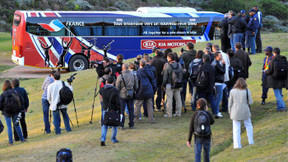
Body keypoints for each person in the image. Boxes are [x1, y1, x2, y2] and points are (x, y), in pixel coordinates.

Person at [228, 78, 254, 149]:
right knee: (248, 126)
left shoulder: (232, 91)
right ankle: (251, 141)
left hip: (235, 111)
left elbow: (230, 103)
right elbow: (250, 102)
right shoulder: (247, 91)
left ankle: (237, 145)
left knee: (236, 128)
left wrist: (230, 111)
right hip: (245, 110)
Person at [0, 80, 26, 145]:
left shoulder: (3, 94)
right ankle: (22, 139)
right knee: (17, 125)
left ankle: (10, 142)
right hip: (15, 111)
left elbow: (0, 105)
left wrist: (3, 110)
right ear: (11, 85)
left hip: (6, 112)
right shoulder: (15, 92)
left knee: (9, 127)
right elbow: (21, 100)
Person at [100, 76, 121, 146]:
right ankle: (113, 138)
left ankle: (103, 139)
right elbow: (118, 102)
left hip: (105, 109)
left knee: (104, 125)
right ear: (113, 82)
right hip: (114, 109)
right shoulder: (115, 90)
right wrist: (120, 110)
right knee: (114, 125)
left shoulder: (102, 89)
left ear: (106, 82)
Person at [264, 48, 287, 112]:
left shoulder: (273, 60)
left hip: (275, 79)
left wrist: (265, 71)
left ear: (274, 53)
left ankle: (282, 107)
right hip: (282, 78)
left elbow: (270, 70)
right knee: (279, 93)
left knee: (277, 95)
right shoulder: (283, 59)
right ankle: (279, 106)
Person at [116, 63, 138, 128]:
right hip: (131, 94)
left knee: (121, 110)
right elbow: (136, 85)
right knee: (131, 110)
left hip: (122, 95)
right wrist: (133, 90)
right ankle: (131, 124)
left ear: (123, 68)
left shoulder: (120, 76)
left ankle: (121, 124)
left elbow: (117, 87)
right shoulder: (133, 75)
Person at [162, 53, 183, 117]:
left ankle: (169, 114)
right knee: (178, 99)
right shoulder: (179, 65)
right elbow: (181, 74)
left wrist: (163, 85)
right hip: (178, 83)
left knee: (169, 99)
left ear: (169, 58)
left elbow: (165, 77)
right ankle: (178, 113)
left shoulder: (168, 66)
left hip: (169, 84)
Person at [180, 42, 196, 107]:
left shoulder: (184, 55)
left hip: (185, 73)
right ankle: (193, 100)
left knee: (184, 88)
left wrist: (181, 54)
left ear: (187, 47)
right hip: (194, 73)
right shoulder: (196, 54)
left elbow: (179, 60)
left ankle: (183, 101)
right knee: (193, 88)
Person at [211, 52, 226, 118]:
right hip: (218, 82)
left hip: (216, 82)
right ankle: (216, 112)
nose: (221, 57)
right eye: (220, 55)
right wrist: (224, 65)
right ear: (216, 56)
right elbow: (223, 71)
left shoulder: (214, 63)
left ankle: (216, 111)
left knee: (217, 97)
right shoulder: (217, 64)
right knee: (218, 98)